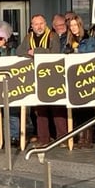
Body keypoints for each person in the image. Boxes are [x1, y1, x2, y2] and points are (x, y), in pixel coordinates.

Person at [17, 14, 62, 147]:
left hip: (53, 75)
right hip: (35, 75)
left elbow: (55, 53)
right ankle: (44, 138)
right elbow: (20, 51)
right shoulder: (28, 37)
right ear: (32, 26)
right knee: (40, 108)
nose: (39, 26)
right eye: (36, 24)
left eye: (41, 23)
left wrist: (36, 51)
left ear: (46, 23)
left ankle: (62, 137)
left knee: (57, 107)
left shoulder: (52, 36)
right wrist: (37, 52)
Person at [64, 14, 95, 149]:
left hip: (86, 77)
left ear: (80, 25)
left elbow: (89, 55)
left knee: (88, 109)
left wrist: (75, 52)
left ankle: (88, 137)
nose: (73, 28)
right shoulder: (68, 41)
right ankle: (80, 136)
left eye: (75, 25)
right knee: (77, 109)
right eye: (71, 26)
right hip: (73, 77)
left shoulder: (89, 39)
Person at [0, 27, 20, 147]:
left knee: (12, 113)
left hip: (10, 85)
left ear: (5, 40)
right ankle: (2, 137)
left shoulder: (12, 51)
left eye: (0, 38)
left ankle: (15, 137)